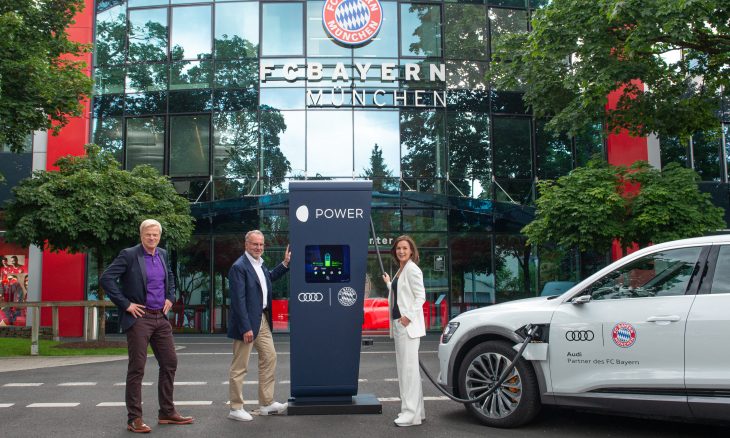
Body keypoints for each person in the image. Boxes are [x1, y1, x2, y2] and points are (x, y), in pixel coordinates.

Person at [100, 219, 194, 433]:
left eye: (155, 235)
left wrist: (170, 296)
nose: (152, 238)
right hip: (139, 318)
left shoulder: (162, 253)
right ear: (141, 235)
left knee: (170, 362)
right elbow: (107, 279)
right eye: (148, 235)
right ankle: (134, 418)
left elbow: (169, 276)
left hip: (160, 318)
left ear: (159, 236)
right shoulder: (129, 255)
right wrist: (125, 304)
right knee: (137, 368)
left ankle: (167, 412)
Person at [227, 230, 291, 422]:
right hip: (245, 321)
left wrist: (285, 264)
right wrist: (246, 327)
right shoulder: (239, 267)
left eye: (261, 244)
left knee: (270, 357)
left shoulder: (260, 265)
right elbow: (238, 300)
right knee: (240, 367)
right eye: (255, 244)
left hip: (261, 319)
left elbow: (267, 279)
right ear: (246, 245)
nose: (259, 248)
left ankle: (266, 403)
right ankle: (236, 408)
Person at [382, 235, 426, 427]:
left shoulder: (412, 269)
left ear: (411, 251)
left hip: (407, 326)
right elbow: (400, 293)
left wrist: (408, 317)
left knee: (408, 372)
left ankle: (410, 414)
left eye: (405, 248)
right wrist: (389, 283)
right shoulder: (401, 270)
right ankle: (418, 412)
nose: (401, 251)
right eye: (398, 248)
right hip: (400, 325)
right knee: (409, 371)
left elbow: (420, 297)